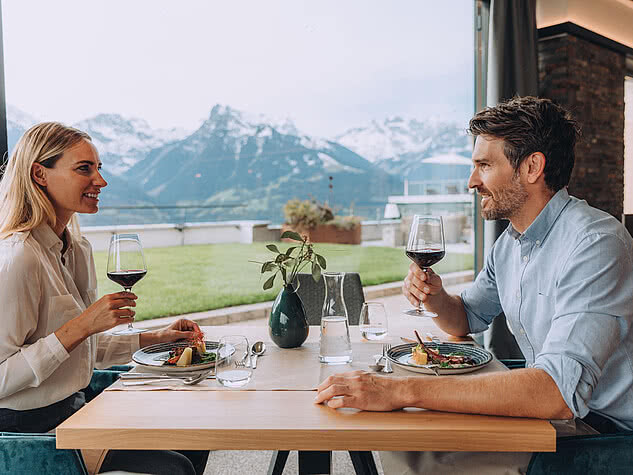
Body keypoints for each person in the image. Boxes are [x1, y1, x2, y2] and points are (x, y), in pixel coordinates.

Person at [315, 96, 633, 474]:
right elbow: (466, 317)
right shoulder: (511, 243)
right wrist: (435, 297)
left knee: (422, 454)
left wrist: (399, 391)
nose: (472, 181)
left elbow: (557, 392)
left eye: (484, 165)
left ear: (532, 167)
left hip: (604, 432)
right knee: (410, 439)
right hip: (556, 416)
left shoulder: (594, 243)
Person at [0, 122, 209, 475]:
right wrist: (82, 325)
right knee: (174, 467)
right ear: (40, 174)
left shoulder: (77, 248)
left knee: (192, 432)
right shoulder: (20, 257)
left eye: (99, 169)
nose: (101, 181)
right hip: (29, 438)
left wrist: (161, 339)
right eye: (85, 168)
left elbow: (86, 351)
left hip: (78, 413)